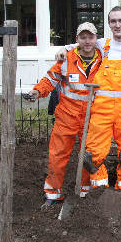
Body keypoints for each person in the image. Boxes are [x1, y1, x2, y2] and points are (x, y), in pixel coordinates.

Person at [56, 7, 121, 191]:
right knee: (91, 156)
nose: (117, 25)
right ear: (109, 24)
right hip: (101, 109)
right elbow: (80, 45)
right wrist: (63, 48)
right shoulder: (103, 44)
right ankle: (99, 193)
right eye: (113, 21)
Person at [27, 22, 102, 205]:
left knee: (89, 155)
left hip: (92, 116)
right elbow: (50, 79)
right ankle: (53, 193)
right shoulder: (66, 59)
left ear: (95, 39)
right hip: (67, 115)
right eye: (83, 37)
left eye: (90, 37)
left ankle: (85, 190)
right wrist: (36, 92)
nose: (87, 41)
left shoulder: (103, 59)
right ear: (77, 39)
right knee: (58, 154)